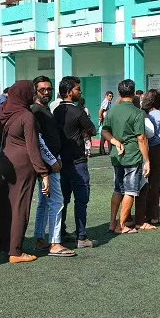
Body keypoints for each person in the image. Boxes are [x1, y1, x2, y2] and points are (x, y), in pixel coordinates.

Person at [0, 80, 50, 263]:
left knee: (5, 204)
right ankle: (15, 251)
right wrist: (44, 173)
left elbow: (1, 137)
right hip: (23, 165)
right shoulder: (26, 116)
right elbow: (33, 148)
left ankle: (3, 242)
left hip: (7, 160)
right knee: (20, 207)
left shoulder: (3, 111)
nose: (34, 95)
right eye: (32, 92)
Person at [31, 76, 74, 257]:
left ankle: (40, 238)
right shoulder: (36, 111)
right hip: (48, 164)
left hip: (50, 161)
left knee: (44, 203)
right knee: (57, 202)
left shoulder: (44, 109)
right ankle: (55, 242)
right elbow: (38, 141)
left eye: (49, 89)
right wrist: (52, 161)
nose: (46, 92)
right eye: (42, 90)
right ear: (35, 91)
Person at [101, 79, 150, 235]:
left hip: (117, 155)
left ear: (118, 92)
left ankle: (112, 222)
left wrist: (115, 141)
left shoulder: (113, 110)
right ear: (134, 93)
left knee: (117, 189)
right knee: (130, 190)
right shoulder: (137, 112)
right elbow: (141, 138)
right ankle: (121, 225)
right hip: (132, 155)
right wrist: (147, 160)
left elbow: (104, 131)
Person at [54, 76, 98, 248]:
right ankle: (81, 237)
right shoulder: (78, 111)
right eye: (77, 89)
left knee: (63, 199)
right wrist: (83, 132)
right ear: (69, 92)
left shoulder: (56, 111)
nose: (80, 91)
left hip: (61, 161)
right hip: (77, 161)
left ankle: (62, 231)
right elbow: (92, 129)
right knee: (81, 199)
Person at [141, 89, 160, 226]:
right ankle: (153, 216)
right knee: (155, 184)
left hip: (143, 150)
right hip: (157, 151)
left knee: (144, 184)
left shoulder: (143, 114)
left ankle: (142, 214)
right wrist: (152, 142)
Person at [98, 91, 113, 155]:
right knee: (108, 134)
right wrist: (100, 118)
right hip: (105, 120)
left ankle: (102, 150)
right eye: (110, 96)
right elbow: (101, 111)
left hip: (106, 119)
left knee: (104, 135)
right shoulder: (106, 102)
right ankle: (109, 150)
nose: (111, 97)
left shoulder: (108, 102)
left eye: (112, 96)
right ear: (106, 96)